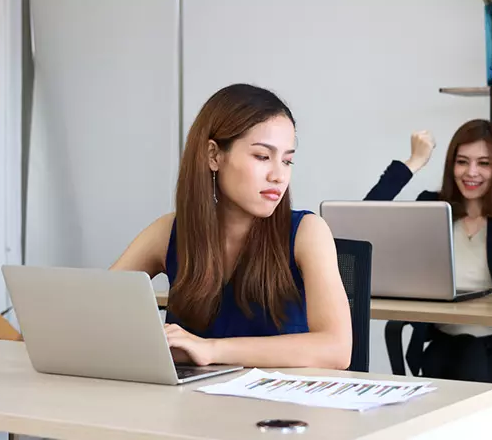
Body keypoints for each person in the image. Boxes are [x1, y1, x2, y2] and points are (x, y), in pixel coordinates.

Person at [111, 83, 352, 370]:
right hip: (189, 406)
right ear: (214, 156)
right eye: (262, 157)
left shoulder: (307, 232)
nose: (278, 175)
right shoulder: (170, 231)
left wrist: (210, 349)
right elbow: (96, 307)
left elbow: (336, 349)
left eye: (287, 160)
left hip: (279, 409)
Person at [365, 119, 492, 410]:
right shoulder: (433, 207)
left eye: (484, 163)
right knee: (461, 356)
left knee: (470, 359)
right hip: (442, 345)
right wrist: (413, 162)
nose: (471, 172)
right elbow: (367, 217)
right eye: (462, 162)